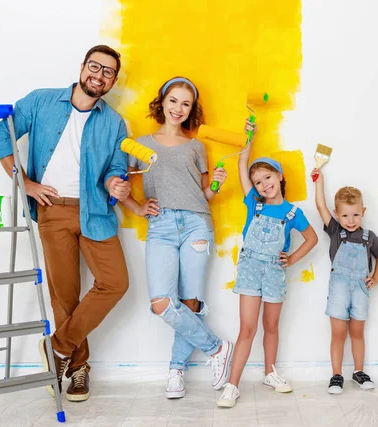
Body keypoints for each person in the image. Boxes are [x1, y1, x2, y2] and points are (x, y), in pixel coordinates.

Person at [0, 45, 131, 402]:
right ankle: (79, 368)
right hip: (52, 210)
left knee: (115, 282)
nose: (99, 75)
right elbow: (0, 134)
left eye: (108, 72)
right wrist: (25, 182)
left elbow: (116, 168)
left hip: (95, 210)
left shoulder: (114, 122)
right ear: (83, 67)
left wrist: (116, 182)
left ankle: (57, 347)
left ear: (113, 81)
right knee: (64, 295)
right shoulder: (41, 101)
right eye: (94, 67)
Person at [121, 77, 233, 399]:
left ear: (190, 109)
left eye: (185, 103)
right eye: (173, 100)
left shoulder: (197, 146)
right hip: (161, 226)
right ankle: (217, 348)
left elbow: (202, 195)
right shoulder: (141, 144)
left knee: (190, 302)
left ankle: (176, 370)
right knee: (161, 303)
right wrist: (138, 207)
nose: (178, 108)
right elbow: (121, 183)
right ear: (163, 101)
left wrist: (215, 185)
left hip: (197, 222)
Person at [217, 127, 319, 408]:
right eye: (258, 182)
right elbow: (241, 163)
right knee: (247, 328)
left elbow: (312, 238)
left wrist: (293, 258)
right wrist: (248, 136)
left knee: (271, 325)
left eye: (267, 178)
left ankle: (269, 373)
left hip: (275, 272)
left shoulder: (293, 213)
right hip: (250, 269)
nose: (263, 185)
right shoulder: (254, 204)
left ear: (280, 176)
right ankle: (232, 384)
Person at [311, 167, 378, 394]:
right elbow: (320, 206)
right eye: (344, 215)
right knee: (338, 333)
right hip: (339, 290)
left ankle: (358, 372)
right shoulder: (335, 231)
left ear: (363, 211)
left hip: (360, 290)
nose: (350, 220)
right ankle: (336, 375)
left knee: (356, 333)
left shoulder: (369, 237)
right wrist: (318, 182)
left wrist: (375, 278)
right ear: (337, 214)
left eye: (355, 214)